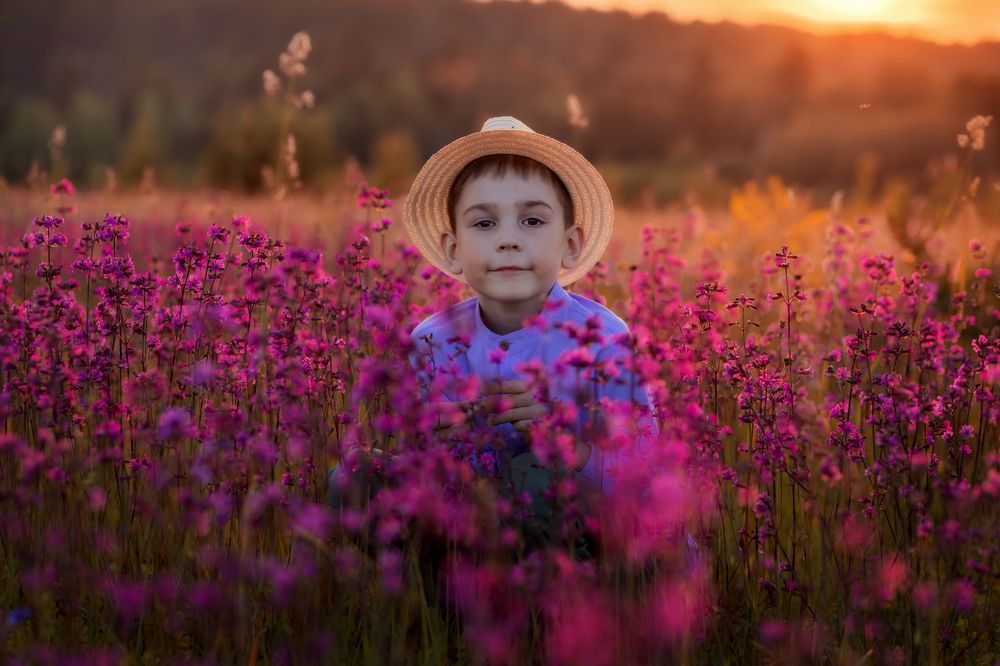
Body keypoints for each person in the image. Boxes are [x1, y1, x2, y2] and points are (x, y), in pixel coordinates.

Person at [328, 116, 660, 557]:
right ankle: (443, 591)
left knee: (534, 475)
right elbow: (421, 470)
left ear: (571, 244)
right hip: (466, 529)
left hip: (586, 554)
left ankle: (543, 600)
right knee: (353, 478)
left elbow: (646, 478)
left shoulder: (604, 340)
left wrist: (563, 444)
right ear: (453, 250)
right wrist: (431, 441)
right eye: (484, 224)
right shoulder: (430, 342)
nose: (508, 240)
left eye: (532, 221)